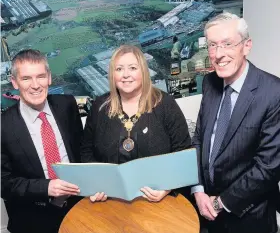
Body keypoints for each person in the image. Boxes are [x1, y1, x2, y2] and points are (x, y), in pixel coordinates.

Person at [192, 12, 280, 233]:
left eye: (227, 44)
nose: (218, 54)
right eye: (212, 46)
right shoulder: (210, 83)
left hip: (249, 216)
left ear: (246, 46)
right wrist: (198, 189)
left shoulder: (273, 93)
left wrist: (219, 203)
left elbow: (267, 168)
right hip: (207, 212)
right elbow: (200, 139)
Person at [80, 45, 192, 202]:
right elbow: (86, 152)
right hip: (111, 200)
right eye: (119, 69)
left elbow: (184, 152)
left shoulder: (166, 104)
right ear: (112, 74)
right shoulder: (99, 107)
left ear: (143, 72)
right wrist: (97, 184)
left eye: (132, 68)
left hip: (159, 201)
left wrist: (167, 187)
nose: (125, 75)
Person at [1, 49, 83, 233]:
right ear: (14, 82)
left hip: (79, 204)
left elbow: (81, 151)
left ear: (49, 78)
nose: (35, 85)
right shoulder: (3, 126)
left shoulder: (67, 104)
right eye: (26, 78)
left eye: (40, 76)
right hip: (33, 217)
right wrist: (46, 187)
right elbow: (3, 183)